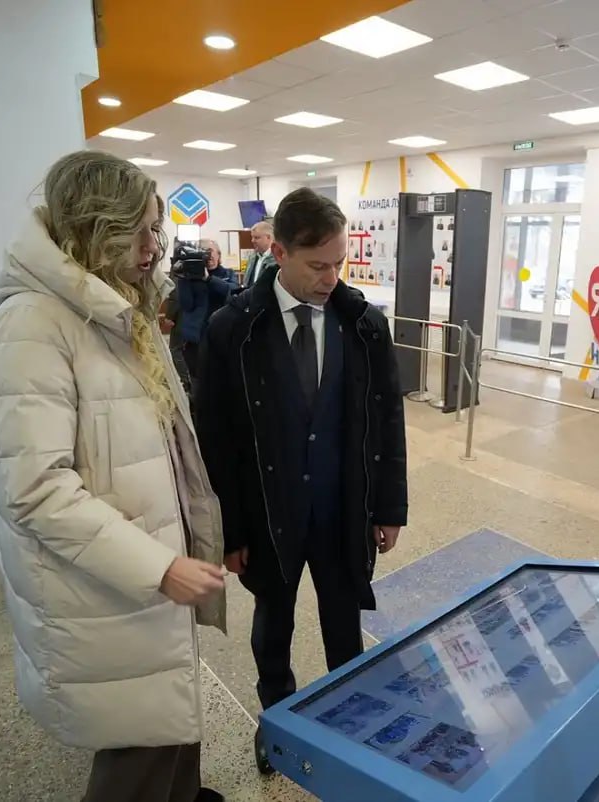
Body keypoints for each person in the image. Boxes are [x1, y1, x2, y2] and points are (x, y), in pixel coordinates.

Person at [0, 150, 226, 802]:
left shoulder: (114, 308)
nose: (153, 248)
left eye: (155, 229)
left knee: (167, 714)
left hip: (142, 568)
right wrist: (158, 566)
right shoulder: (34, 324)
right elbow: (36, 490)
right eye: (137, 231)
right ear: (94, 228)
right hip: (110, 581)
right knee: (138, 740)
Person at [194, 187, 408, 772]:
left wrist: (389, 507)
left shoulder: (363, 325)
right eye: (318, 266)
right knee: (273, 626)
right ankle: (279, 724)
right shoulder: (231, 330)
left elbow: (387, 422)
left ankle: (351, 721)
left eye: (339, 263)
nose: (331, 278)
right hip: (269, 512)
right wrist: (230, 532)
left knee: (344, 623)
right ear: (279, 253)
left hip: (343, 509)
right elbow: (217, 439)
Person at [174, 237, 236, 379]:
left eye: (211, 251)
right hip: (196, 338)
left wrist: (208, 279)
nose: (208, 256)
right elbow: (187, 305)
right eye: (203, 252)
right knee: (198, 379)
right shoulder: (191, 277)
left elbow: (232, 292)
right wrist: (183, 279)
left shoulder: (228, 274)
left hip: (221, 336)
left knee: (221, 378)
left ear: (219, 255)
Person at [243, 220, 276, 288]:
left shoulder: (276, 259)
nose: (252, 241)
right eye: (252, 237)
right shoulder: (252, 257)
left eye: (256, 237)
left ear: (268, 237)